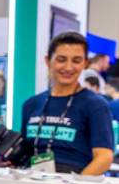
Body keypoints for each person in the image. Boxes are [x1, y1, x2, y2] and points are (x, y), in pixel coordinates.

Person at [20, 32, 113, 175]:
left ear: (85, 63)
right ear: (48, 61)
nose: (68, 68)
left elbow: (104, 157)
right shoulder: (31, 104)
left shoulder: (96, 106)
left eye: (76, 61)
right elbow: (25, 151)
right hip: (32, 182)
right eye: (61, 59)